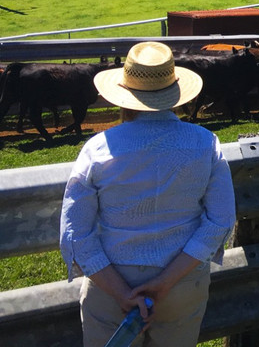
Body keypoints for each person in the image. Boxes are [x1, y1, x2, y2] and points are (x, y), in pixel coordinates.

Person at [59, 41, 236, 347]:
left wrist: (121, 293)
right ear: (175, 92)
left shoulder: (98, 149)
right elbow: (220, 221)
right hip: (182, 282)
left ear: (124, 95)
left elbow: (75, 232)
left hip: (110, 283)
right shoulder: (206, 144)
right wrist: (164, 284)